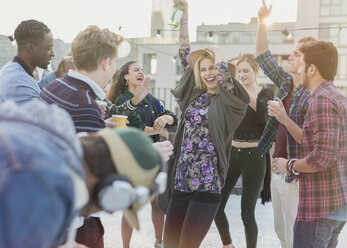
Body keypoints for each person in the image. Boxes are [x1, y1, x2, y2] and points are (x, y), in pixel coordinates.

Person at [0, 100, 168, 248]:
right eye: (115, 202)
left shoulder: (48, 144)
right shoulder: (46, 189)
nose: (109, 212)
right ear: (109, 188)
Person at [39, 25, 150, 248]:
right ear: (105, 63)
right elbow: (93, 186)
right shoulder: (86, 104)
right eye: (115, 62)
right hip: (75, 226)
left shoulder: (52, 87)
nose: (115, 69)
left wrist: (100, 127)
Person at [157, 1, 249, 247]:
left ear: (221, 71)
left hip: (207, 186)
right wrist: (184, 15)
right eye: (204, 69)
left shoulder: (229, 104)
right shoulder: (194, 95)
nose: (209, 73)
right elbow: (184, 54)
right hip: (181, 182)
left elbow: (237, 95)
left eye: (214, 69)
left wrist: (219, 56)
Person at [273, 40, 347, 248]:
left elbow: (322, 157)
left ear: (312, 69)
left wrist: (288, 164)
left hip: (320, 209)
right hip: (334, 207)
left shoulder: (322, 100)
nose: (300, 69)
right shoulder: (338, 97)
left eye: (303, 65)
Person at [255, 1, 316, 247]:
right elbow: (262, 55)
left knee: (295, 238)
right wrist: (261, 23)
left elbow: (310, 140)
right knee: (281, 232)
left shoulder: (314, 95)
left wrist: (282, 117)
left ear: (309, 62)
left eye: (296, 54)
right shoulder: (285, 82)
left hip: (298, 177)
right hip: (278, 171)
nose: (290, 56)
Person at [106, 61, 178, 248]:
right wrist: (158, 131)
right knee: (131, 206)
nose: (141, 72)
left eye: (142, 69)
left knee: (157, 204)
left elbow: (171, 116)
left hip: (155, 159)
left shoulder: (150, 98)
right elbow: (137, 128)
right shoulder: (122, 101)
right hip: (133, 159)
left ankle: (159, 242)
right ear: (125, 76)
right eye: (136, 70)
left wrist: (166, 117)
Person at [214, 54, 274, 248]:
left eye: (245, 71)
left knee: (247, 214)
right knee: (216, 206)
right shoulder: (233, 92)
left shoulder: (265, 92)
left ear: (255, 71)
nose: (241, 74)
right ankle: (227, 244)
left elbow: (262, 117)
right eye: (239, 71)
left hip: (254, 157)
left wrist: (242, 92)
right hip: (232, 154)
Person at [0, 19, 74, 105]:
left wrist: (56, 75)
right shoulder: (19, 84)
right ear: (31, 48)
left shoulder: (12, 69)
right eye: (49, 48)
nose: (53, 54)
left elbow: (34, 87)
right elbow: (41, 116)